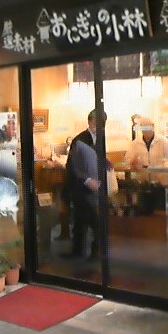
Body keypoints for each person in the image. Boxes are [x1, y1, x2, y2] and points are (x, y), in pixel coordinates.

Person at [62, 109, 106, 260]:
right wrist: (87, 180)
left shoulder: (101, 138)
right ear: (90, 122)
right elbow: (72, 166)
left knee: (92, 220)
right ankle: (79, 251)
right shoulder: (79, 140)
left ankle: (94, 251)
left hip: (96, 186)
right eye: (96, 123)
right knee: (82, 220)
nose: (99, 126)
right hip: (80, 187)